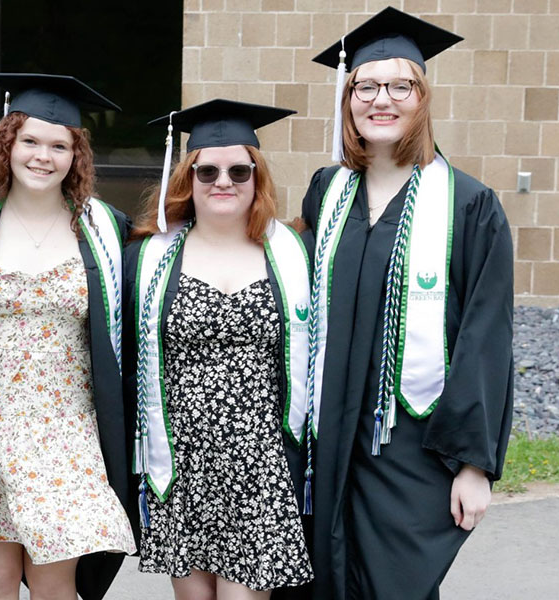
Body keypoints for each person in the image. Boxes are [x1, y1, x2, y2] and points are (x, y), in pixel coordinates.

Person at [301, 8, 514, 599]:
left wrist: (474, 464)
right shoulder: (327, 190)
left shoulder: (470, 205)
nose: (381, 100)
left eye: (401, 86)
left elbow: (485, 334)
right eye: (366, 86)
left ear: (423, 97)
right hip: (329, 433)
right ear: (348, 98)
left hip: (412, 444)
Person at [0, 73, 136, 600]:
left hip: (67, 432)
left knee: (53, 580)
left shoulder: (104, 228)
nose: (43, 156)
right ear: (8, 144)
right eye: (31, 141)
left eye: (59, 145)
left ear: (76, 155)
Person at [124, 99, 314, 599]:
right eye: (206, 170)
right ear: (187, 180)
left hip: (258, 463)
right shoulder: (148, 258)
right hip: (180, 463)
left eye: (238, 170)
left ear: (257, 177)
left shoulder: (292, 255)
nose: (222, 181)